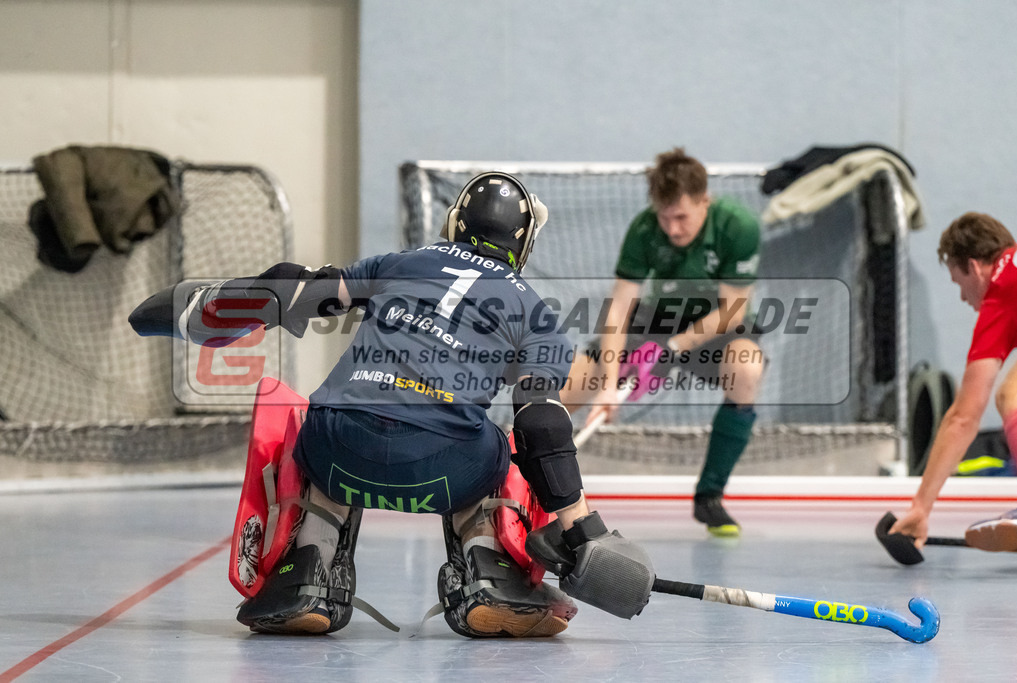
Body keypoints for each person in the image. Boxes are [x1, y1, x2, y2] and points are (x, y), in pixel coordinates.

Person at [129, 171, 655, 637]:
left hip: (339, 453)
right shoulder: (536, 311)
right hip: (446, 470)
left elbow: (291, 291)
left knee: (310, 416)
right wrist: (581, 529)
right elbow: (542, 427)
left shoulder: (399, 262)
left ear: (455, 223)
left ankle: (308, 565)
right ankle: (490, 570)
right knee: (499, 439)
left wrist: (190, 309)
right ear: (524, 246)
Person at [560, 147, 765, 537]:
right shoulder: (643, 229)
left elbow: (733, 311)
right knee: (570, 383)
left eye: (682, 217)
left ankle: (709, 496)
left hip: (718, 325)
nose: (672, 228)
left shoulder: (738, 226)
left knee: (746, 369)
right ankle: (508, 475)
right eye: (664, 217)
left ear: (705, 200)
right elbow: (618, 310)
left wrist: (672, 350)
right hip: (656, 318)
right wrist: (607, 386)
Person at [889, 212, 1017, 552]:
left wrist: (921, 506)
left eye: (958, 282)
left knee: (1013, 394)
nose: (964, 298)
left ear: (975, 268)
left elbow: (963, 418)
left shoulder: (1002, 291)